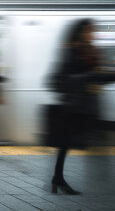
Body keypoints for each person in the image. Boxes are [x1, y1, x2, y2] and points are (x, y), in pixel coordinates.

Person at [48, 18, 115, 194]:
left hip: (85, 107)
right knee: (68, 142)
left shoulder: (89, 52)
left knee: (65, 144)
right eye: (90, 30)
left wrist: (101, 76)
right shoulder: (72, 51)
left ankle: (58, 178)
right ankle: (58, 179)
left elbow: (97, 76)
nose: (93, 34)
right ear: (81, 32)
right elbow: (61, 79)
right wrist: (89, 77)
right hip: (76, 108)